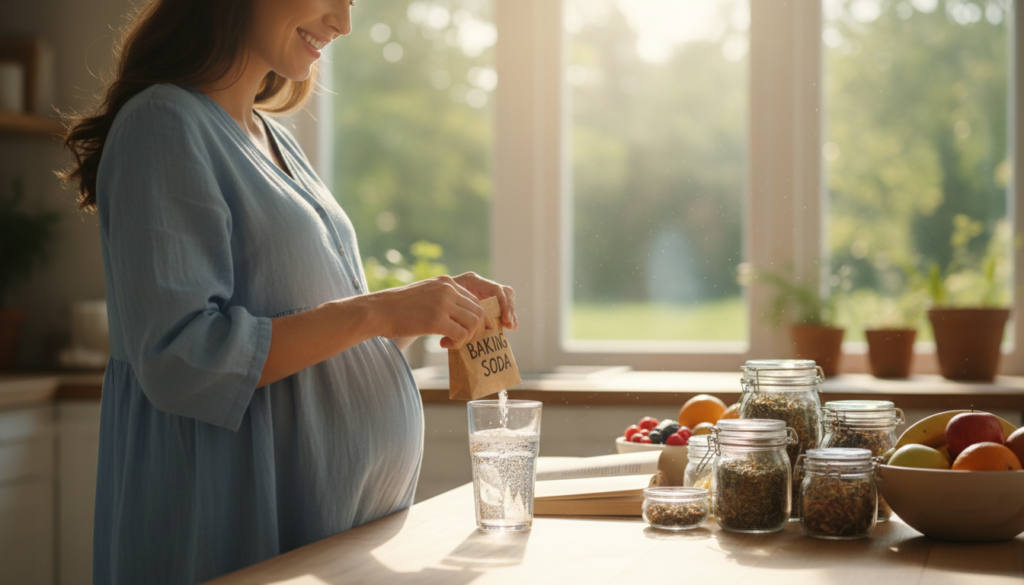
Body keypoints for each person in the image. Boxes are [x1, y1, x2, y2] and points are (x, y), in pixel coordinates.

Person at [60, 1, 518, 583]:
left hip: (334, 534)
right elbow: (181, 358)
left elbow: (308, 346)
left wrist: (424, 311)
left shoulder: (269, 135)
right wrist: (377, 310)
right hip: (234, 521)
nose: (343, 23)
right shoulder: (162, 122)